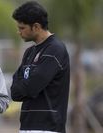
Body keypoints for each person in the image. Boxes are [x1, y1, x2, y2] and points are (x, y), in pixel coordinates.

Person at [10, 1, 70, 133]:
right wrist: (24, 86)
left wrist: (24, 85)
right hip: (26, 126)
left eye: (22, 28)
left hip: (48, 128)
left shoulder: (55, 49)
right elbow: (15, 92)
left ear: (36, 27)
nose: (18, 32)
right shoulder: (29, 52)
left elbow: (31, 88)